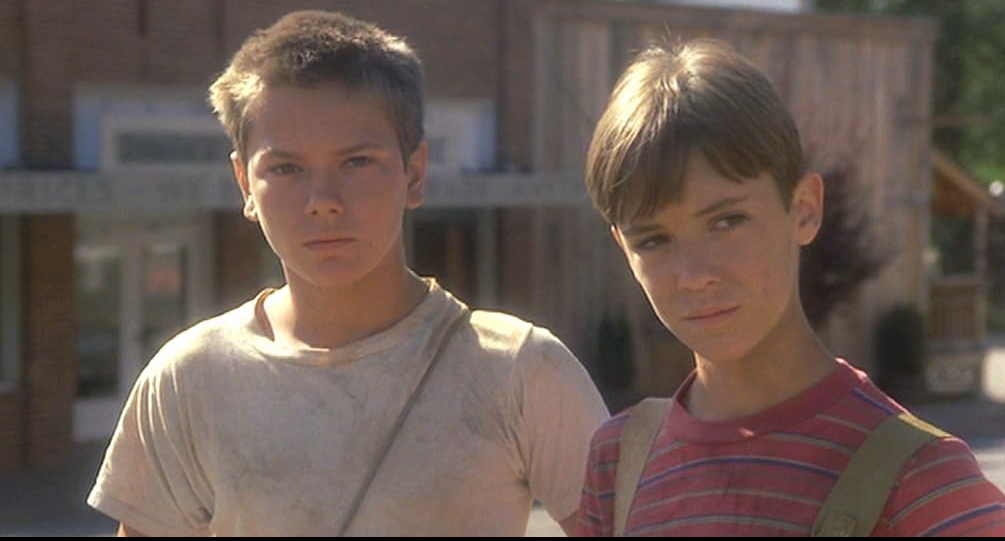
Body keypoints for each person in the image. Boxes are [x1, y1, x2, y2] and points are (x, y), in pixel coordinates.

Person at [86, 10, 608, 536]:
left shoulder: (519, 371)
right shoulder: (189, 377)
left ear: (415, 172)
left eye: (357, 162)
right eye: (285, 168)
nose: (323, 202)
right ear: (244, 183)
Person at [576, 38, 1005, 536]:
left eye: (726, 221)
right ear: (623, 249)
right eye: (653, 239)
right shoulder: (618, 464)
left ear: (804, 208)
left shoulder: (922, 483)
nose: (694, 275)